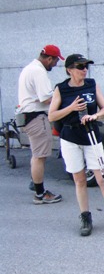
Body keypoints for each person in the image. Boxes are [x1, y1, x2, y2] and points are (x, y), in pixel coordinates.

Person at [48, 54, 104, 236]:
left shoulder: (91, 84)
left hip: (91, 135)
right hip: (70, 137)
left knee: (102, 179)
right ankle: (85, 217)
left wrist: (95, 116)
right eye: (80, 66)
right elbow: (51, 116)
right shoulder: (61, 89)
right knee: (80, 180)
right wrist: (71, 108)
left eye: (85, 66)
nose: (84, 69)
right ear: (69, 70)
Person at [18, 45, 64, 204]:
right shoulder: (39, 71)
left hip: (28, 116)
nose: (56, 64)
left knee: (36, 154)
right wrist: (63, 99)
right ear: (49, 58)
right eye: (56, 60)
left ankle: (35, 182)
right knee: (40, 156)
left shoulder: (29, 68)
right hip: (37, 117)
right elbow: (46, 98)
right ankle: (40, 194)